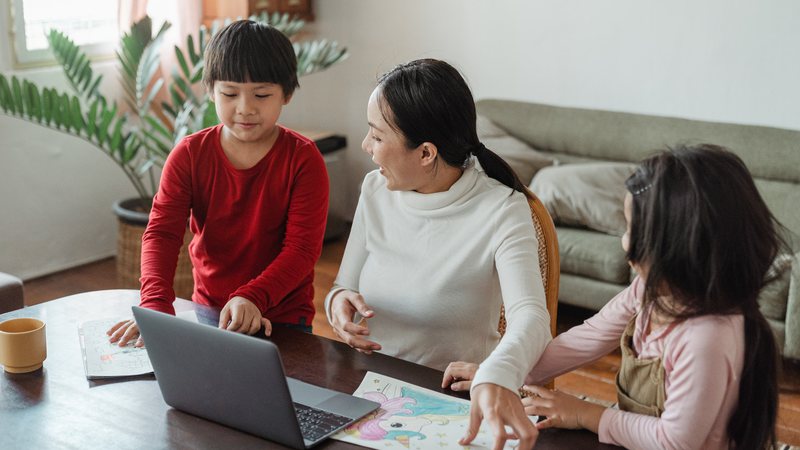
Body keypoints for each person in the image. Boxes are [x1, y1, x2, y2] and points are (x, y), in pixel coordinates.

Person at [444, 144, 783, 449]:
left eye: (631, 229)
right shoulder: (650, 293)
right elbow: (586, 338)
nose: (623, 242)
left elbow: (674, 441)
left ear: (675, 249)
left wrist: (586, 413)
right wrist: (503, 371)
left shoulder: (708, 336)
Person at [325, 58, 551, 449]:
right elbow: (342, 286)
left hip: (451, 398)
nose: (366, 147)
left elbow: (531, 318)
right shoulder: (375, 190)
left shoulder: (502, 209)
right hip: (369, 389)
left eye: (377, 137)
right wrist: (338, 305)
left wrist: (497, 373)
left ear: (426, 153)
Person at [107, 20, 329, 346]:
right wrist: (154, 304)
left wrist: (253, 297)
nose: (245, 108)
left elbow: (301, 250)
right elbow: (163, 232)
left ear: (287, 94)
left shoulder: (304, 159)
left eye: (262, 94)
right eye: (229, 93)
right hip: (211, 309)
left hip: (282, 316)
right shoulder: (189, 155)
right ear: (211, 90)